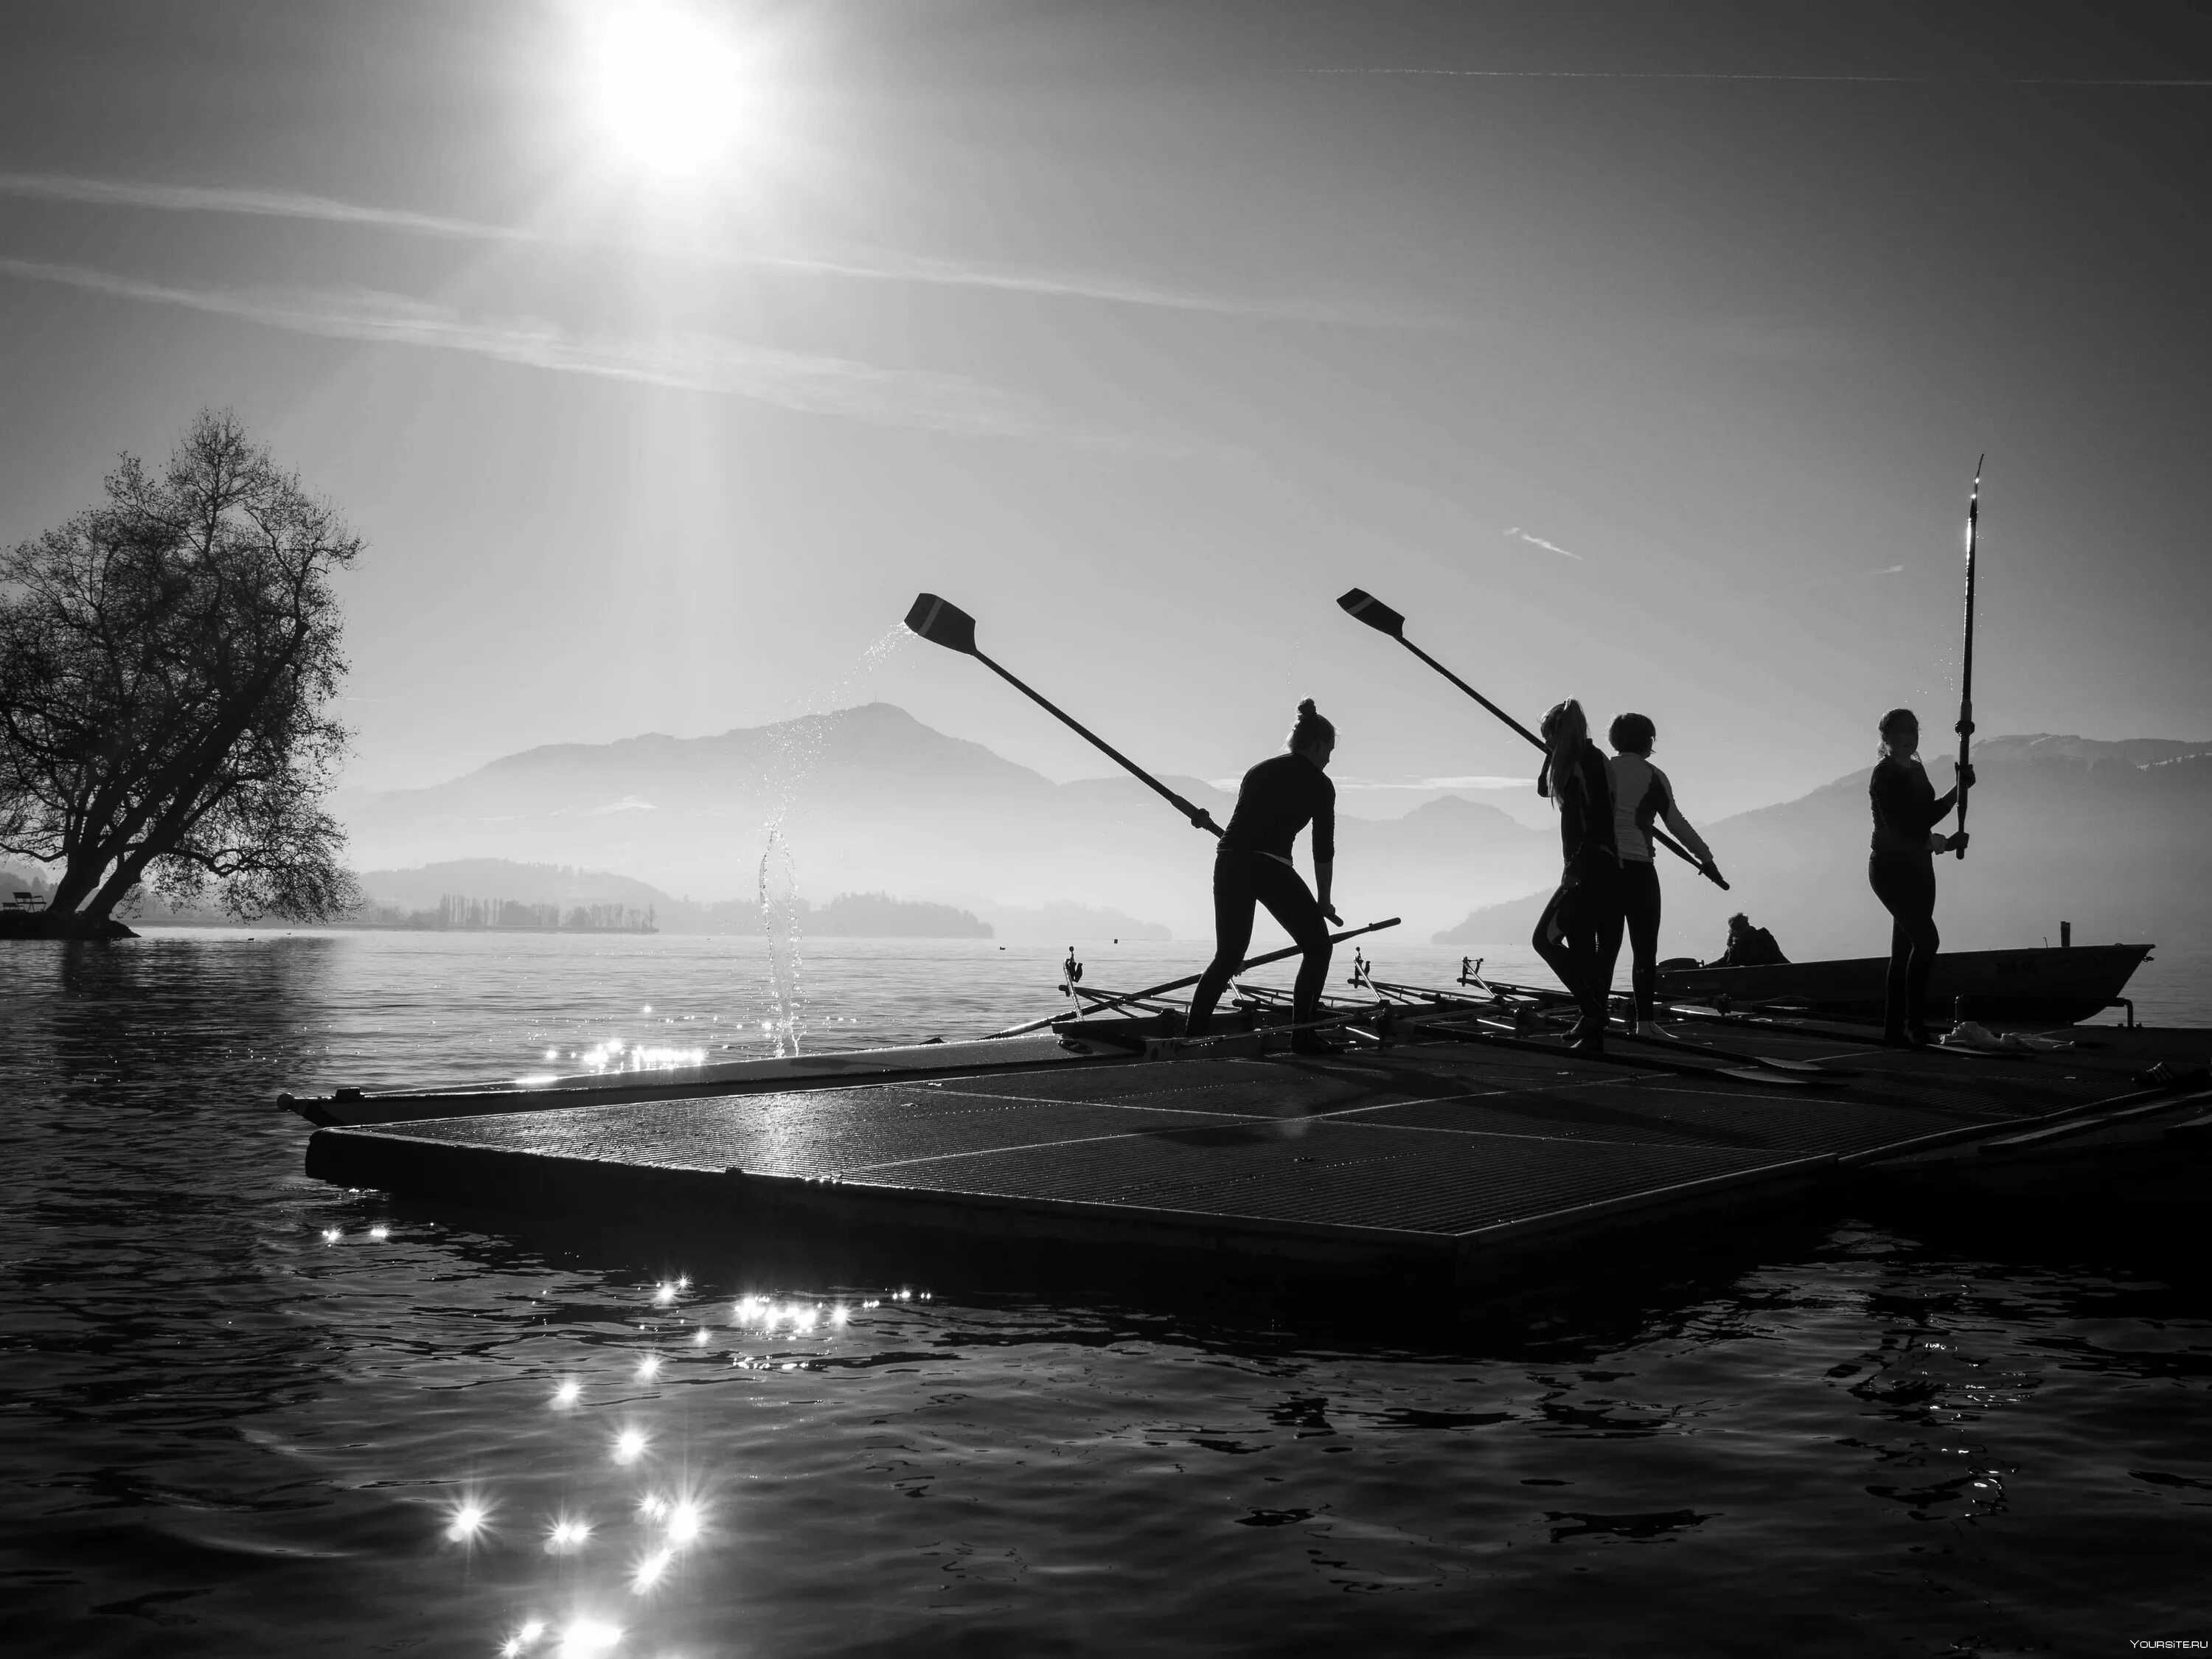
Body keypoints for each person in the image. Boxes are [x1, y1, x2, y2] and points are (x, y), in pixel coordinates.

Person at [1184, 700, 1343, 1054]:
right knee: (1318, 948)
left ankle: (1189, 1037)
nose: (1330, 758)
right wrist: (1323, 900)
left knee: (1228, 955)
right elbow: (1323, 848)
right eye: (1329, 750)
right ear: (1317, 745)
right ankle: (1302, 1036)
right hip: (1268, 865)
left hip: (1228, 861)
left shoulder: (1259, 770)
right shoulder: (1321, 784)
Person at [1599, 712, 1722, 1032]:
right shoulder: (1653, 776)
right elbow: (1675, 822)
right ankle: (1646, 1023)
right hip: (1639, 871)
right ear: (1649, 741)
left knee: (1606, 949)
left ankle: (1595, 1019)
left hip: (1603, 870)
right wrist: (1706, 858)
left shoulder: (1600, 770)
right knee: (1645, 949)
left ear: (1614, 739)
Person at [1868, 707, 1974, 1045]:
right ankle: (1913, 1026)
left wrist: (1958, 790)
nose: (1908, 737)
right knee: (1927, 942)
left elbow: (1927, 813)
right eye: (1900, 731)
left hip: (1919, 868)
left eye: (1913, 730)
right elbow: (1903, 828)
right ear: (1886, 738)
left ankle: (1894, 1031)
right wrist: (1945, 843)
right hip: (1891, 870)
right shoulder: (1883, 777)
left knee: (1904, 950)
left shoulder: (1917, 769)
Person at [1530, 698, 1618, 1053]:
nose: (1547, 747)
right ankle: (1592, 1031)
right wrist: (1552, 751)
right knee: (1582, 950)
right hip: (1590, 867)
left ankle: (1594, 1011)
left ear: (1558, 736)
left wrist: (1575, 870)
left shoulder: (1589, 763)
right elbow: (1541, 787)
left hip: (1590, 868)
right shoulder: (1578, 761)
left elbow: (1597, 823)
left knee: (1544, 940)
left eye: (1549, 739)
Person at [1715, 912, 1787, 967]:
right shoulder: (1735, 947)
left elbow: (1773, 957)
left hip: (1778, 973)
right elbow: (1726, 961)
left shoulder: (1762, 936)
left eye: (1745, 924)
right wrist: (1707, 967)